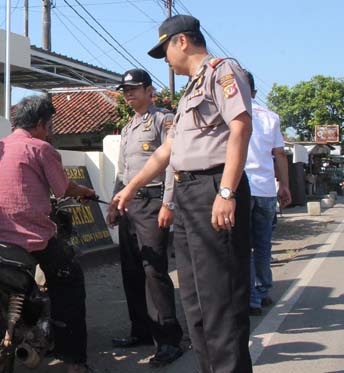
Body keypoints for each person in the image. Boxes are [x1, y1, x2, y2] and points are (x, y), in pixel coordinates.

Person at [114, 15, 254, 373]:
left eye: (164, 50)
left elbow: (240, 126)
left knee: (220, 300)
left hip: (214, 188)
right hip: (190, 196)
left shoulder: (223, 72)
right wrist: (130, 187)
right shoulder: (191, 89)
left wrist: (227, 190)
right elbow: (167, 152)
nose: (165, 60)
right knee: (194, 301)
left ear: (182, 42)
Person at [0, 95, 96, 373]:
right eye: (49, 124)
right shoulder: (41, 148)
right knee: (70, 278)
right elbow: (63, 188)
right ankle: (74, 361)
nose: (50, 130)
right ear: (40, 124)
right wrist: (86, 192)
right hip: (26, 236)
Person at [107, 68, 183, 367]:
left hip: (152, 202)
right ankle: (140, 330)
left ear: (149, 90)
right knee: (131, 271)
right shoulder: (127, 128)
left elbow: (172, 164)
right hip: (129, 204)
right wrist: (114, 204)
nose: (129, 94)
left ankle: (169, 340)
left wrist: (169, 204)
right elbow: (121, 172)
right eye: (125, 90)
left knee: (154, 271)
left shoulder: (163, 120)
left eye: (134, 88)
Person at [244, 71, 292, 316]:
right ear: (254, 91)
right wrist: (284, 185)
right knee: (262, 246)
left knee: (245, 247)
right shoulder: (270, 117)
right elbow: (280, 154)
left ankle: (251, 299)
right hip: (265, 189)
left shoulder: (229, 114)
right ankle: (262, 293)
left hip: (241, 189)